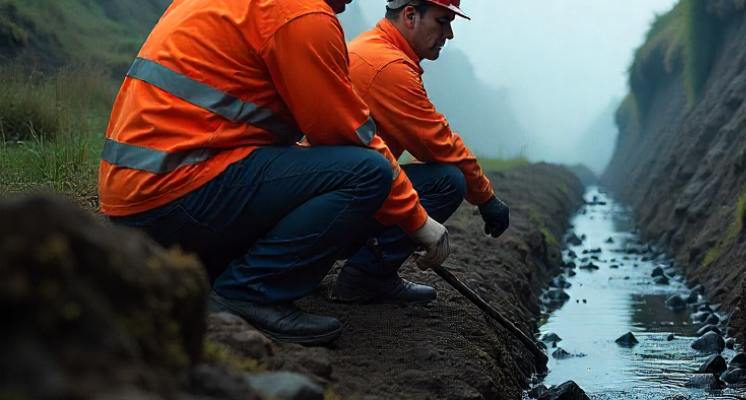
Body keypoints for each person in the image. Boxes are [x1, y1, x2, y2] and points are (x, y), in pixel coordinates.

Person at [99, 0, 449, 345]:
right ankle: (247, 294)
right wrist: (417, 221)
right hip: (175, 199)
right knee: (367, 172)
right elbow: (349, 135)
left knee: (320, 165)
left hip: (133, 202)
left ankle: (227, 272)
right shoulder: (302, 13)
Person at [331, 0, 510, 304]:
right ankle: (368, 277)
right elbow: (439, 143)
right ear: (410, 15)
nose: (449, 34)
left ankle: (354, 267)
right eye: (442, 21)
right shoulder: (388, 68)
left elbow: (425, 143)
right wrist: (487, 198)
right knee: (447, 181)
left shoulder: (372, 48)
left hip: (333, 194)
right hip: (339, 203)